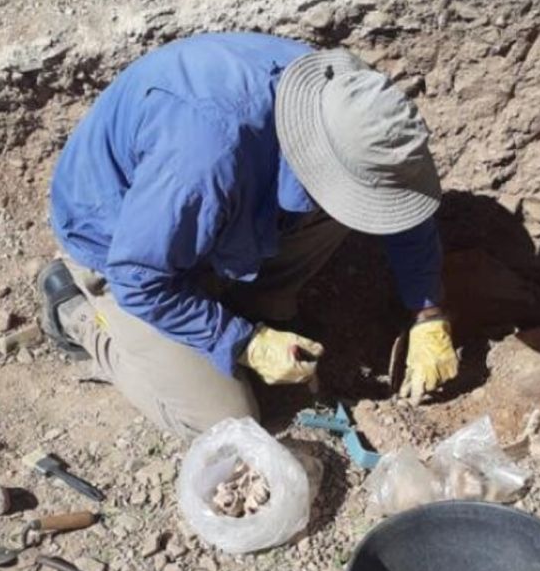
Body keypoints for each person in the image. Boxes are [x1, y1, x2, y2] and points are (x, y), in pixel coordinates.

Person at [39, 32, 458, 439]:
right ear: (314, 156)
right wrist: (245, 342)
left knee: (350, 210)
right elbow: (140, 280)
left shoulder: (353, 104)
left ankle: (261, 304)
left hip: (195, 210)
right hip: (118, 243)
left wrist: (428, 312)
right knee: (228, 422)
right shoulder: (204, 156)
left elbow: (400, 198)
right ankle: (75, 314)